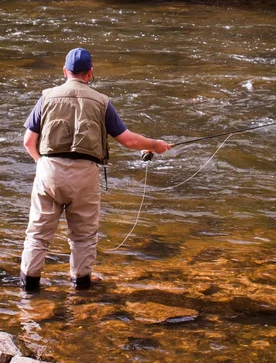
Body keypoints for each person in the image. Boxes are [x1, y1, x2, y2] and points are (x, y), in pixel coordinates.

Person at [20, 47, 171, 291]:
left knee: (38, 234)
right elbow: (128, 140)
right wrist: (155, 144)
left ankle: (28, 288)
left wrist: (41, 162)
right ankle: (80, 288)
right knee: (83, 237)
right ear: (90, 73)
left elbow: (28, 140)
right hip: (85, 174)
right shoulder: (102, 102)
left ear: (65, 71)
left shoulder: (46, 97)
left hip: (49, 169)